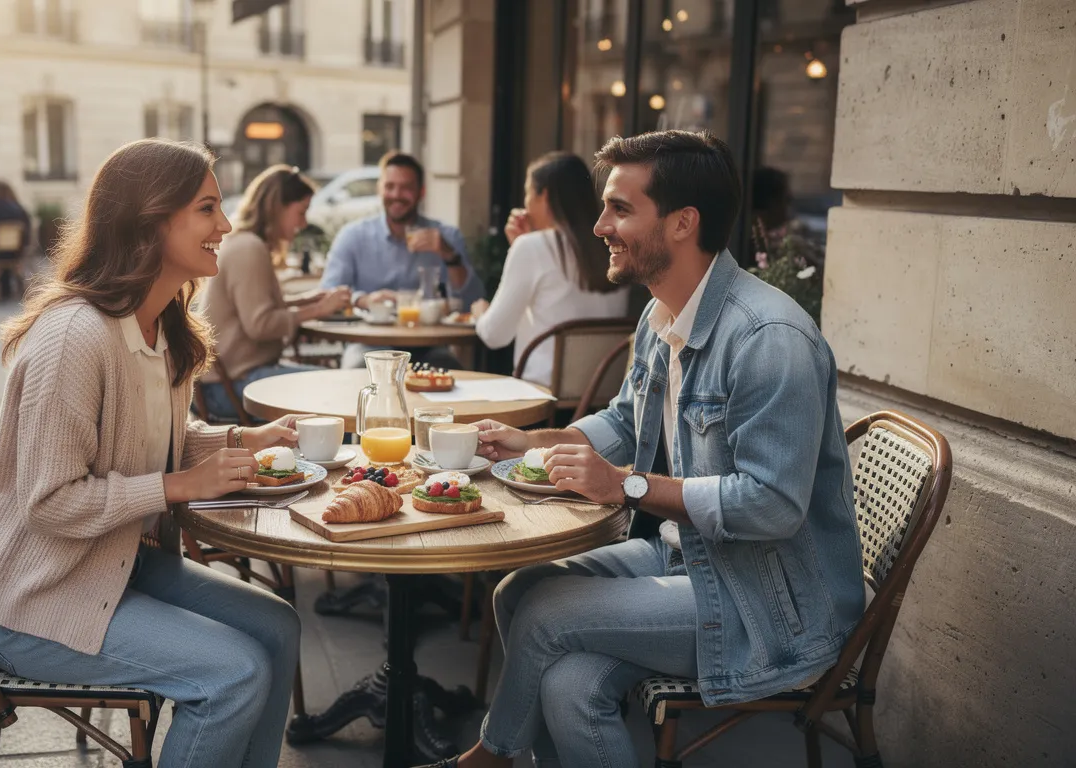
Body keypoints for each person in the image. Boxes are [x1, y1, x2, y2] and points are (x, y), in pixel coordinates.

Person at [417, 131, 864, 768]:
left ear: (683, 223)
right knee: (533, 621)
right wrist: (536, 443)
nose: (599, 226)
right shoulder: (660, 317)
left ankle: (488, 759)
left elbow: (771, 506)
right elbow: (627, 420)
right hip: (688, 558)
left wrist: (626, 485)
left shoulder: (768, 337)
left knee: (543, 611)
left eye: (620, 209)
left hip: (769, 603)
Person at [0, 139, 303, 768]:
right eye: (207, 209)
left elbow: (152, 444)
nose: (226, 226)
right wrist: (179, 487)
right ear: (150, 219)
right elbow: (50, 503)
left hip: (114, 564)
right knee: (235, 673)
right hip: (36, 598)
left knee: (279, 628)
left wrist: (242, 439)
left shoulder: (161, 325)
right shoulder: (74, 340)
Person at [195, 164, 352, 420]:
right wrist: (318, 309)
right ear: (277, 208)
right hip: (229, 387)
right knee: (335, 390)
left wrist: (308, 299)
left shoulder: (245, 242)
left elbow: (254, 306)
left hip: (231, 381)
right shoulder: (248, 248)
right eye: (301, 212)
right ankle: (335, 448)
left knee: (333, 387)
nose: (303, 223)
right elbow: (260, 324)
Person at [471, 151, 629, 387]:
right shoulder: (613, 248)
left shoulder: (532, 248)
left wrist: (480, 312)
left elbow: (495, 336)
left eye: (528, 193)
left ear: (543, 196)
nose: (526, 203)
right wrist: (523, 246)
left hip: (541, 397)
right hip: (604, 397)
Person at [318, 150, 483, 369]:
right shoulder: (354, 236)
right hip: (368, 344)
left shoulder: (446, 236)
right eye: (390, 186)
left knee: (448, 370)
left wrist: (449, 255)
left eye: (406, 187)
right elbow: (327, 294)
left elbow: (474, 302)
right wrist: (365, 300)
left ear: (421, 192)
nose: (396, 194)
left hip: (429, 346)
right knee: (357, 369)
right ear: (380, 189)